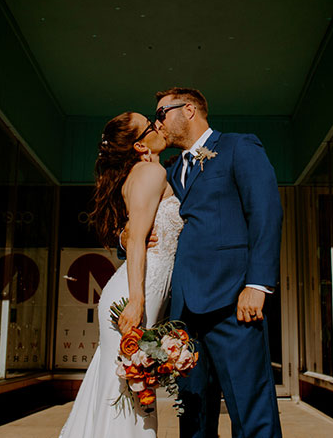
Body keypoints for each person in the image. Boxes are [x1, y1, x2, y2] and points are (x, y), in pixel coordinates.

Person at [154, 87, 283, 438]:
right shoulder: (170, 170)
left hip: (233, 303)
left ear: (190, 109)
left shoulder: (239, 147)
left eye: (162, 113)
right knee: (192, 414)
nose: (158, 122)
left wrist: (257, 284)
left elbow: (265, 213)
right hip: (185, 313)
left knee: (250, 410)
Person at [59, 111, 183, 438]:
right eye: (150, 124)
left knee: (126, 385)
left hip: (147, 287)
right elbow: (138, 240)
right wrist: (136, 301)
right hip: (135, 292)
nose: (159, 125)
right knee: (131, 389)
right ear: (141, 145)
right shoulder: (149, 172)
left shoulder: (151, 171)